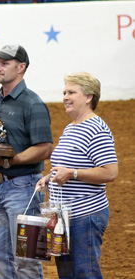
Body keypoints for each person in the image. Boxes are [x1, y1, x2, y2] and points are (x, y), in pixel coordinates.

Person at [0, 44, 53, 279]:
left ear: (21, 67)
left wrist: (11, 160)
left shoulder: (33, 103)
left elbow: (45, 148)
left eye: (4, 63)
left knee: (27, 259)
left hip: (25, 187)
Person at [36, 72, 118, 279]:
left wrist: (72, 174)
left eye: (72, 92)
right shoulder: (71, 128)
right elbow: (67, 166)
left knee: (84, 273)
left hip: (85, 215)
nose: (65, 97)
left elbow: (110, 172)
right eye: (64, 92)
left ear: (89, 96)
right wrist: (50, 178)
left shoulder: (96, 129)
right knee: (67, 273)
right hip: (62, 216)